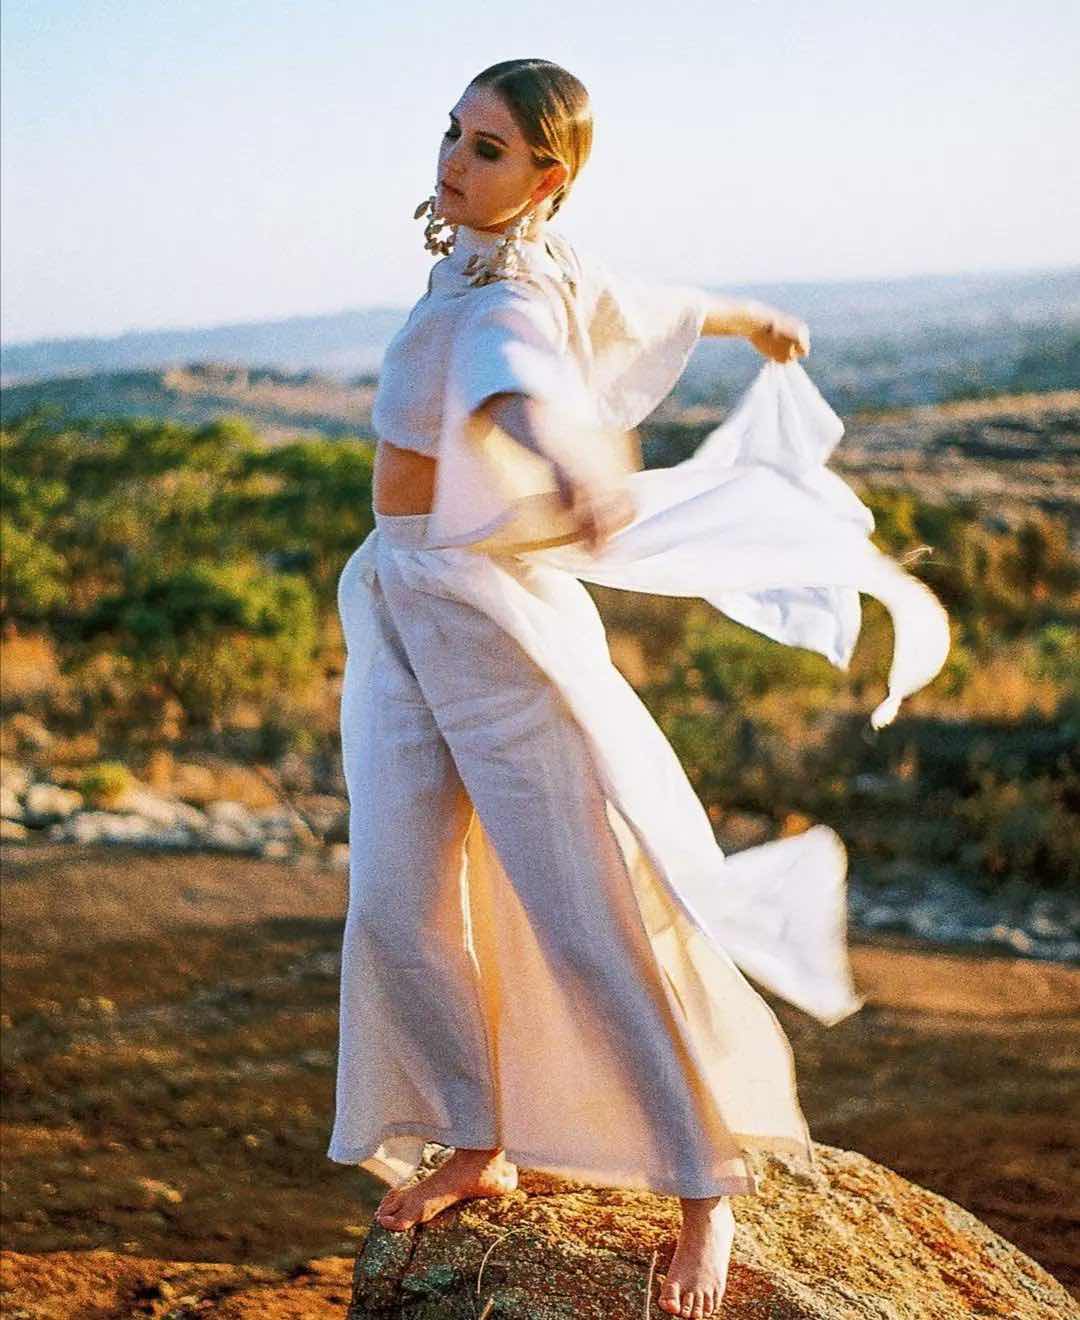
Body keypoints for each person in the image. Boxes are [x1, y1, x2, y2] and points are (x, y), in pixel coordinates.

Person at [327, 59, 951, 1320]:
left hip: (485, 622)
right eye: (453, 134)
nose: (453, 160)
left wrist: (569, 459)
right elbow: (659, 304)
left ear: (547, 175)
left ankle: (702, 1185)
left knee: (579, 905)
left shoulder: (514, 291)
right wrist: (757, 320)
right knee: (397, 900)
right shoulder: (498, 262)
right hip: (396, 602)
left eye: (488, 149)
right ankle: (477, 1135)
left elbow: (519, 379)